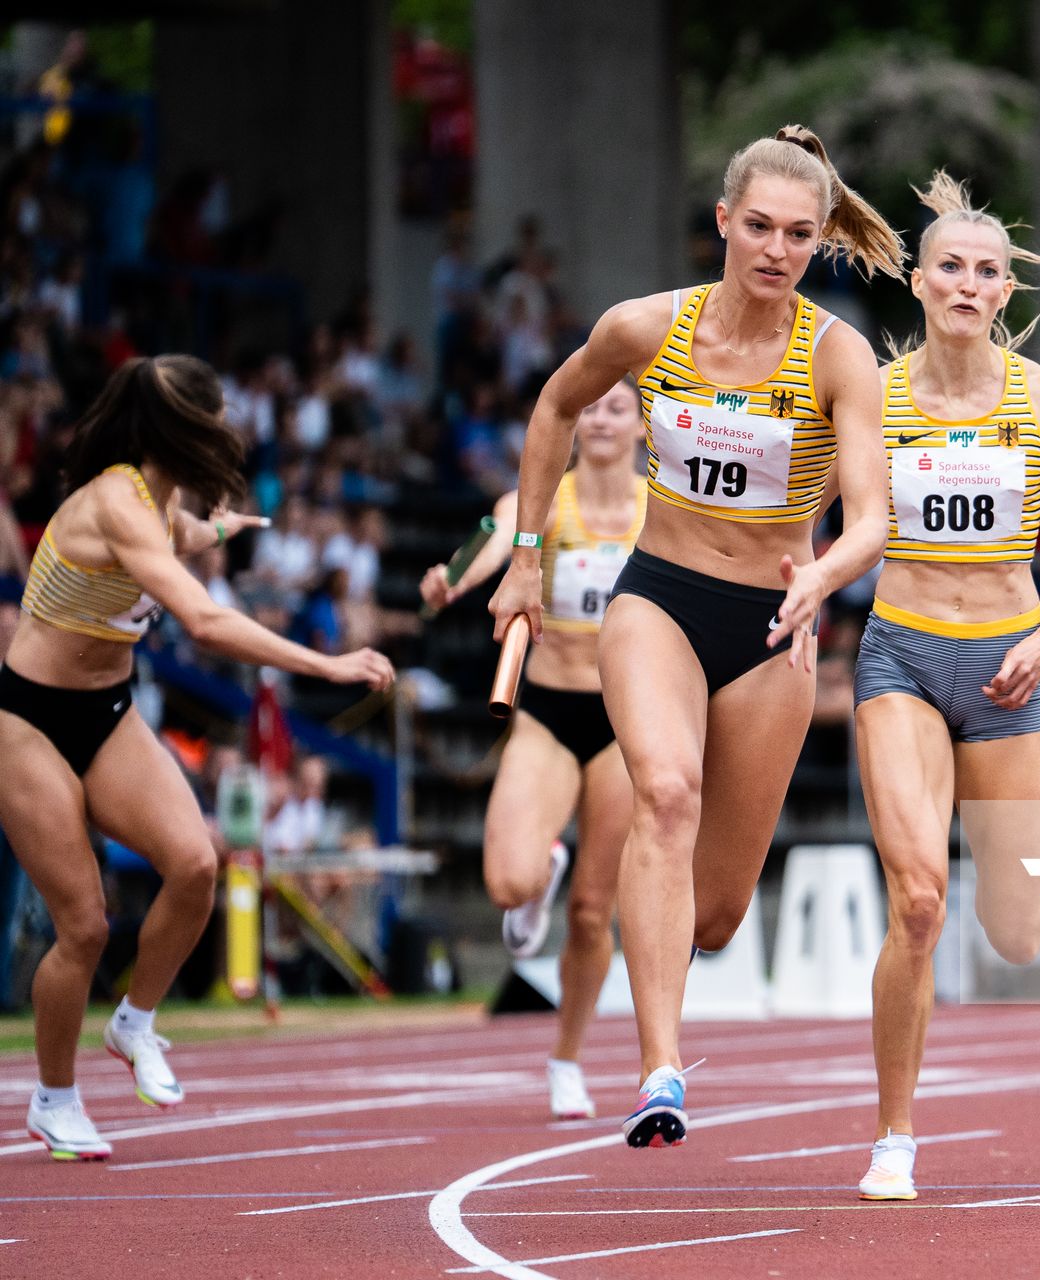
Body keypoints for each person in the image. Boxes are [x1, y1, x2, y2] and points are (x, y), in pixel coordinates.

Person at [488, 125, 901, 1149]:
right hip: (660, 597)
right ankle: (659, 1066)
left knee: (715, 916)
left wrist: (824, 574)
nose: (776, 247)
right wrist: (527, 555)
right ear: (722, 221)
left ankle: (675, 988)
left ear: (817, 243)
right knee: (664, 790)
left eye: (799, 234)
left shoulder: (837, 352)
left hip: (773, 624)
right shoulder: (645, 328)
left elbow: (876, 514)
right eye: (758, 225)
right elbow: (551, 407)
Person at [0, 356, 391, 1160]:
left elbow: (184, 534)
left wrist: (224, 531)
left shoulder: (159, 501)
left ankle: (135, 1023)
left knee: (198, 863)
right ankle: (53, 1097)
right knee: (83, 925)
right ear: (183, 431)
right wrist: (329, 664)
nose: (230, 438)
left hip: (107, 714)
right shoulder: (115, 503)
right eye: (216, 424)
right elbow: (205, 624)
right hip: (29, 719)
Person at [851, 173, 1040, 1201]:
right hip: (901, 655)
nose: (967, 281)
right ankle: (894, 1136)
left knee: (1017, 931)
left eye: (986, 269)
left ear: (1005, 291)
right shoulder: (871, 395)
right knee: (918, 900)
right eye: (949, 265)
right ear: (918, 283)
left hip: (1009, 669)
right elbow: (808, 513)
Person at [422, 379, 646, 1119]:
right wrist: (454, 576)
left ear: (644, 427)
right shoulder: (553, 500)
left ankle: (568, 1059)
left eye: (618, 408)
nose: (602, 419)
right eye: (590, 408)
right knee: (509, 883)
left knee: (592, 912)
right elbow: (495, 529)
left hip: (626, 721)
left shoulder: (660, 511)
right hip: (549, 710)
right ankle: (539, 868)